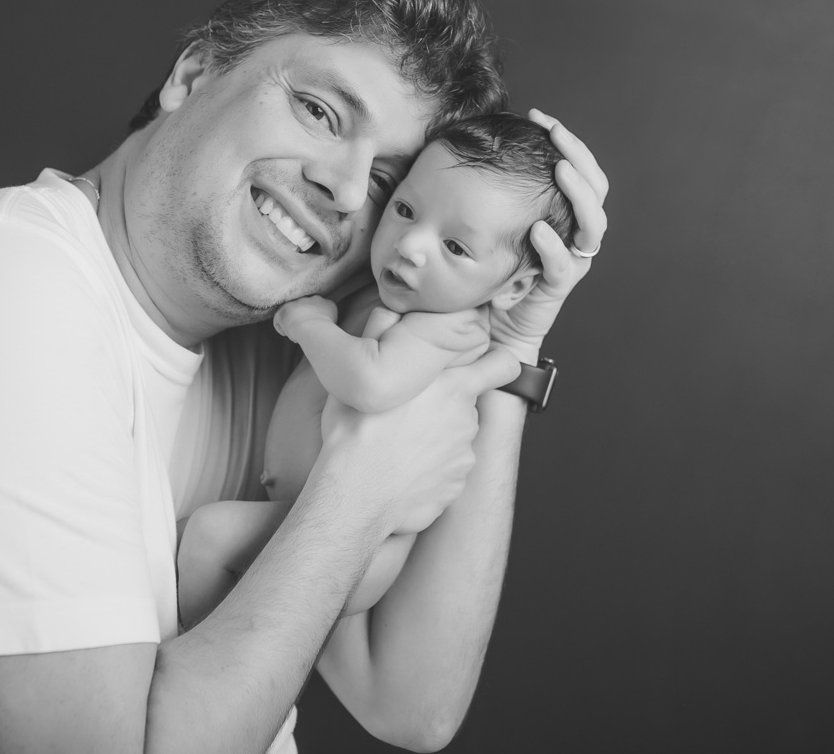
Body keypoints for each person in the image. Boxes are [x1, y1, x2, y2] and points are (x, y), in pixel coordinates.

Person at [0, 0, 608, 752]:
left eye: (386, 181)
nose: (347, 189)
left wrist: (511, 346)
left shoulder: (277, 355)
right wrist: (360, 491)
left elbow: (412, 704)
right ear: (194, 73)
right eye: (319, 111)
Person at [177, 113, 579, 626]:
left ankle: (197, 652)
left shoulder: (450, 326)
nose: (410, 245)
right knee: (181, 543)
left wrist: (307, 323)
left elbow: (370, 383)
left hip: (354, 547)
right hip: (302, 515)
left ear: (514, 288)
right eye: (406, 210)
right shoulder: (397, 292)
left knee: (206, 537)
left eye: (455, 247)